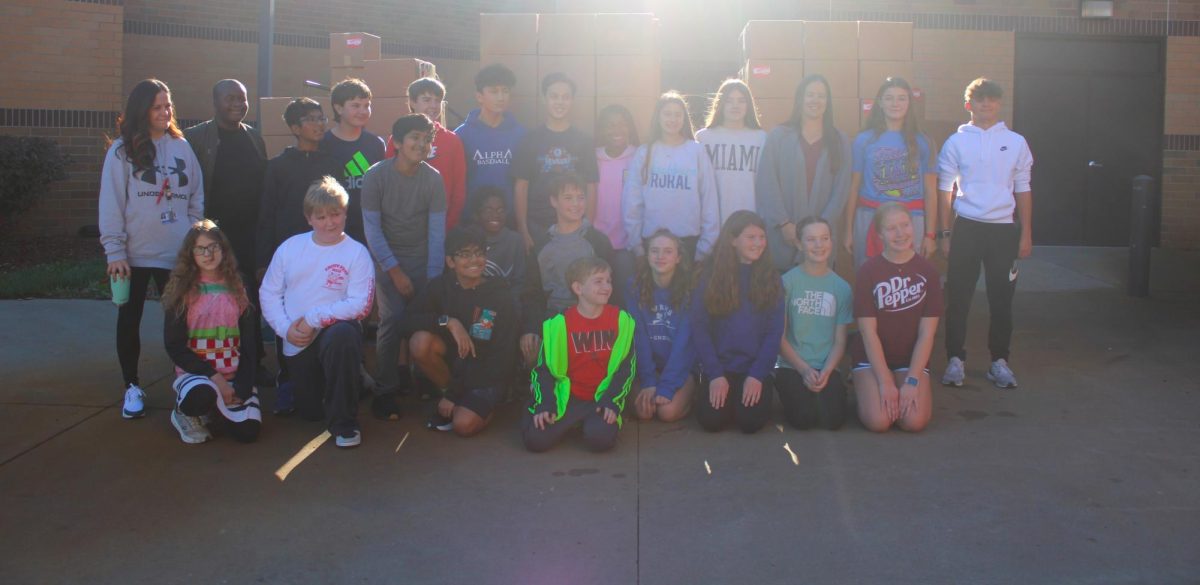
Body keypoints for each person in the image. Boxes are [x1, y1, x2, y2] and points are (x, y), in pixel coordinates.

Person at [99, 78, 204, 419]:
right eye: (157, 107)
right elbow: (111, 203)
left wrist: (191, 234)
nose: (165, 112)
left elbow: (196, 196)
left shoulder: (181, 146)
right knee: (129, 320)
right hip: (133, 256)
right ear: (141, 111)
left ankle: (187, 382)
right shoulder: (121, 150)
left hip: (176, 255)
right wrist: (115, 252)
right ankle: (132, 386)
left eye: (168, 105)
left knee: (181, 321)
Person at [259, 177, 375, 448]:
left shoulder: (357, 253)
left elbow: (361, 305)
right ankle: (353, 382)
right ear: (308, 218)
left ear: (345, 213)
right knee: (311, 413)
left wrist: (313, 319)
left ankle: (345, 424)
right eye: (321, 217)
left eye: (335, 214)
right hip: (298, 341)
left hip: (335, 336)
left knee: (343, 335)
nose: (330, 223)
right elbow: (269, 293)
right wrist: (286, 329)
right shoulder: (290, 248)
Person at [938, 78, 1034, 389]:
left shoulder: (1017, 142)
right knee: (959, 298)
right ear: (969, 104)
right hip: (966, 228)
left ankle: (999, 361)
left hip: (1003, 231)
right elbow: (944, 189)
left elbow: (1023, 188)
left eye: (992, 99)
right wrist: (944, 232)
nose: (986, 104)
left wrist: (1025, 233)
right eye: (980, 99)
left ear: (999, 103)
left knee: (1001, 300)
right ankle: (955, 359)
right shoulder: (955, 142)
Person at [184, 79, 272, 388]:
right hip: (215, 237)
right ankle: (212, 362)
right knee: (219, 300)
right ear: (215, 102)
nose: (238, 103)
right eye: (230, 98)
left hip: (251, 234)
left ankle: (253, 361)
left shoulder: (253, 138)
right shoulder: (196, 139)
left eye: (243, 98)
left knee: (251, 299)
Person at [257, 97, 343, 414]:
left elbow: (351, 204)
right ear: (294, 128)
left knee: (326, 315)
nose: (319, 124)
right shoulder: (278, 167)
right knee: (291, 317)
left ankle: (327, 382)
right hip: (290, 260)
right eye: (310, 119)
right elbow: (266, 215)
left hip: (329, 255)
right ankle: (289, 382)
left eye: (321, 118)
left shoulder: (334, 164)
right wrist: (263, 262)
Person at [361, 113, 447, 420]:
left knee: (425, 320)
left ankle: (424, 379)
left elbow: (437, 233)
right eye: (414, 137)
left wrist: (434, 282)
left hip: (424, 262)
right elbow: (372, 229)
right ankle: (385, 390)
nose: (421, 144)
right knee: (393, 320)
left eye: (427, 139)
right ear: (396, 143)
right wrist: (394, 271)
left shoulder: (433, 179)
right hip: (387, 262)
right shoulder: (375, 176)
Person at [403, 228, 518, 436]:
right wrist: (448, 322)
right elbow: (405, 321)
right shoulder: (440, 286)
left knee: (462, 425)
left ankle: (484, 405)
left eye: (479, 253)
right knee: (420, 342)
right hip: (457, 370)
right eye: (465, 254)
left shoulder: (498, 296)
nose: (474, 260)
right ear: (450, 262)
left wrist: (456, 395)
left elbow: (495, 355)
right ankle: (454, 398)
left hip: (488, 372)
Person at [161, 220, 262, 444]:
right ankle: (186, 412)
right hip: (198, 375)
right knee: (202, 395)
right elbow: (174, 346)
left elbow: (249, 342)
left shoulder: (239, 288)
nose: (208, 254)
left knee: (247, 434)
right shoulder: (182, 292)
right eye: (201, 249)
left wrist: (243, 386)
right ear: (191, 254)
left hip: (233, 374)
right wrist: (216, 379)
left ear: (223, 250)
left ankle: (217, 410)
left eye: (214, 247)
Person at [523, 257, 635, 453]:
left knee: (599, 440)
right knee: (535, 441)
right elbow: (543, 371)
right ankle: (558, 418)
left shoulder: (621, 320)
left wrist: (612, 401)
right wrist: (546, 404)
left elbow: (626, 368)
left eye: (608, 281)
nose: (606, 286)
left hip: (600, 398)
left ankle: (584, 424)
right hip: (567, 398)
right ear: (578, 288)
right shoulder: (558, 324)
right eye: (598, 281)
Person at [849, 203, 941, 433]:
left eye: (905, 225)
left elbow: (927, 333)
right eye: (891, 228)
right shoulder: (867, 272)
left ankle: (900, 385)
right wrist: (885, 382)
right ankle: (866, 389)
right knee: (879, 422)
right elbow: (868, 333)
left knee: (913, 422)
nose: (900, 234)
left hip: (909, 361)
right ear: (880, 234)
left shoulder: (928, 272)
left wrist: (911, 381)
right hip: (871, 360)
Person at [691, 210, 784, 433]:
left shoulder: (772, 278)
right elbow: (700, 328)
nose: (758, 243)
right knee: (711, 421)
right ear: (733, 240)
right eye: (751, 237)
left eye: (761, 237)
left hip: (753, 369)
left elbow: (774, 332)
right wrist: (715, 375)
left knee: (750, 422)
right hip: (719, 367)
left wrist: (757, 375)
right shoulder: (710, 276)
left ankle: (742, 399)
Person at [756, 75, 853, 272]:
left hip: (822, 239)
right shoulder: (779, 136)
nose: (815, 100)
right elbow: (767, 182)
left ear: (828, 102)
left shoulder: (840, 141)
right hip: (783, 235)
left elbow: (841, 190)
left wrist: (818, 231)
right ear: (800, 98)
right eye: (810, 95)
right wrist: (783, 223)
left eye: (821, 96)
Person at [520, 174, 614, 368]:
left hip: (590, 321)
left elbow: (612, 291)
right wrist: (530, 329)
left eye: (581, 198)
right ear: (554, 201)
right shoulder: (541, 245)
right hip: (553, 319)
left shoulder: (598, 242)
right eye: (568, 198)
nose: (576, 204)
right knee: (532, 351)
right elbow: (532, 293)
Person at [844, 77, 937, 269]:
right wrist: (848, 230)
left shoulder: (924, 142)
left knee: (906, 281)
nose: (895, 103)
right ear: (880, 102)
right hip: (871, 218)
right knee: (869, 277)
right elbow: (853, 188)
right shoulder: (863, 140)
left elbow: (930, 191)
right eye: (889, 98)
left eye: (901, 98)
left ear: (909, 103)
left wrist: (930, 235)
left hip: (911, 220)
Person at [623, 91, 719, 264]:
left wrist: (705, 248)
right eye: (667, 114)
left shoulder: (696, 151)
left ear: (684, 118)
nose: (672, 119)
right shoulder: (644, 153)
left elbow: (709, 200)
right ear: (658, 117)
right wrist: (637, 246)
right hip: (652, 242)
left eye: (677, 114)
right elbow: (632, 202)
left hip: (689, 242)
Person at [774, 217, 852, 430]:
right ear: (799, 244)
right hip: (793, 365)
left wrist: (827, 370)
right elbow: (779, 337)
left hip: (826, 366)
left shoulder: (842, 288)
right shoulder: (787, 283)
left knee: (833, 420)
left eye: (824, 238)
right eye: (811, 240)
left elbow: (839, 341)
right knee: (804, 419)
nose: (819, 245)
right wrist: (804, 369)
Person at [513, 72, 600, 251]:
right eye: (554, 96)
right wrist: (523, 229)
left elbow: (591, 185)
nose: (560, 102)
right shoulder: (529, 139)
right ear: (544, 99)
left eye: (565, 97)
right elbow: (521, 185)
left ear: (572, 100)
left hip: (574, 226)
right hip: (537, 226)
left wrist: (587, 226)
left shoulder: (583, 141)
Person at [625, 229, 696, 422]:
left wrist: (667, 385)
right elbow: (638, 336)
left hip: (679, 368)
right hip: (648, 367)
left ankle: (691, 395)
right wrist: (648, 381)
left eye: (668, 251)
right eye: (654, 251)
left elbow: (684, 343)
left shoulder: (691, 289)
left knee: (667, 413)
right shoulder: (634, 287)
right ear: (647, 256)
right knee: (644, 413)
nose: (660, 256)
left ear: (678, 257)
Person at [384, 77, 468, 230]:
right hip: (404, 228)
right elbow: (388, 186)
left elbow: (459, 191)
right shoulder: (396, 139)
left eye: (437, 100)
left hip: (443, 225)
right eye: (427, 100)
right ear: (412, 102)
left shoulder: (452, 140)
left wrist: (447, 226)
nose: (433, 105)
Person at [319, 78, 386, 244]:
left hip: (371, 231)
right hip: (334, 230)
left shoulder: (376, 144)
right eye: (356, 105)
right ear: (338, 107)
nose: (363, 111)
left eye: (367, 105)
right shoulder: (323, 144)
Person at [454, 64, 526, 217]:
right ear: (479, 96)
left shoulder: (521, 135)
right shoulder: (461, 136)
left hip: (510, 222)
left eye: (505, 91)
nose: (501, 97)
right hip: (472, 223)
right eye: (494, 91)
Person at [696, 79, 766, 225]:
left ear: (748, 105)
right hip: (712, 221)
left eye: (741, 100)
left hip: (750, 220)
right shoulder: (703, 137)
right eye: (729, 100)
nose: (735, 105)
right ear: (720, 104)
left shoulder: (761, 138)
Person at [594, 104, 640, 304]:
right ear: (602, 130)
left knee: (624, 298)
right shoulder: (592, 158)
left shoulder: (640, 156)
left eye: (622, 125)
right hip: (596, 242)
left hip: (627, 245)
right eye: (610, 125)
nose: (616, 130)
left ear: (630, 128)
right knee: (597, 297)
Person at [469, 186, 526, 302]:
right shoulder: (469, 239)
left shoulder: (515, 241)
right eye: (488, 210)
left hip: (506, 304)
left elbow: (519, 282)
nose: (495, 215)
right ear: (476, 214)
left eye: (500, 210)